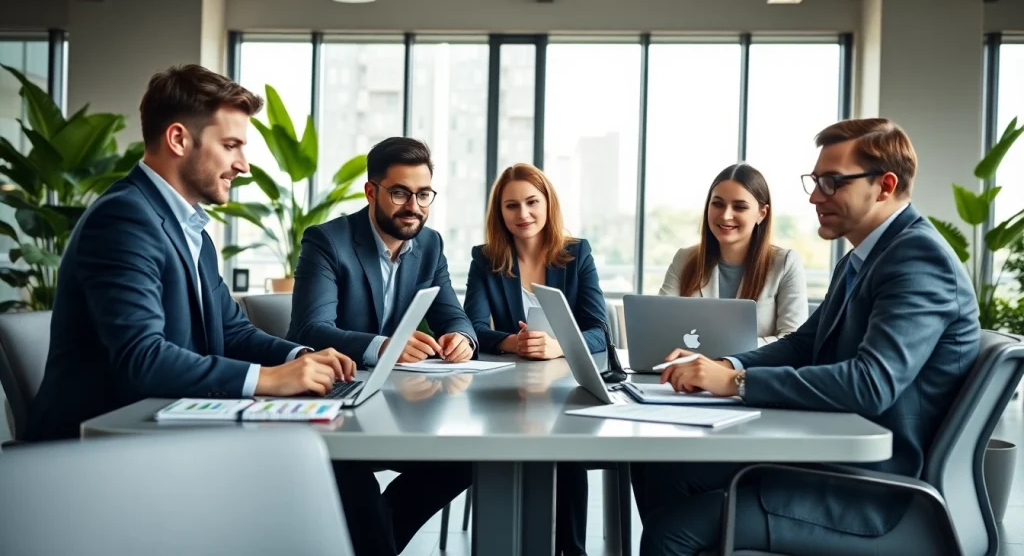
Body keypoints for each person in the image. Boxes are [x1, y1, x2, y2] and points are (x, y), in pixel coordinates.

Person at [638, 118, 981, 556]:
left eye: (831, 182)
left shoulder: (918, 258)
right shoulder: (862, 257)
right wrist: (728, 365)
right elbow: (804, 345)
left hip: (873, 487)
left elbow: (870, 384)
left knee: (671, 530)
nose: (815, 196)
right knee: (660, 468)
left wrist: (736, 385)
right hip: (830, 451)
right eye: (816, 181)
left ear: (884, 185)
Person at [27, 64, 356, 443]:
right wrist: (267, 379)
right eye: (230, 145)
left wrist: (298, 357)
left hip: (166, 429)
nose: (243, 166)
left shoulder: (189, 227)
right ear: (179, 139)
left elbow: (232, 332)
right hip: (98, 448)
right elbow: (143, 358)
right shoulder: (124, 218)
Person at [287, 136, 475, 555]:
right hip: (333, 401)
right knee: (353, 481)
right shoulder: (327, 241)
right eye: (400, 193)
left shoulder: (430, 245)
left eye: (423, 194)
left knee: (465, 458)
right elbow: (310, 330)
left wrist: (462, 338)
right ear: (371, 191)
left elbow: (454, 315)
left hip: (397, 406)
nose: (414, 206)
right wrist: (382, 345)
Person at [463, 162, 608, 556]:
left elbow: (600, 330)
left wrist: (560, 344)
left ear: (548, 204)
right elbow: (472, 328)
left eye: (531, 202)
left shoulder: (576, 254)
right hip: (506, 388)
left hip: (566, 385)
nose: (523, 214)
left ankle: (571, 550)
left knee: (568, 447)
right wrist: (513, 342)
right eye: (512, 206)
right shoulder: (485, 258)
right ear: (500, 212)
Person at [659, 163, 808, 346]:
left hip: (749, 372)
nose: (726, 215)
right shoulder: (685, 259)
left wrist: (727, 354)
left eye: (739, 207)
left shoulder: (785, 263)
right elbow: (660, 328)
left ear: (762, 213)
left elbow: (793, 342)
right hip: (688, 370)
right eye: (718, 204)